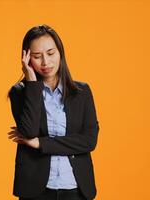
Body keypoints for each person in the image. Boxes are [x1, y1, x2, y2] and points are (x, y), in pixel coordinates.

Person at [7, 24, 99, 200]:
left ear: (60, 53)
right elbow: (29, 131)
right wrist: (32, 83)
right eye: (36, 56)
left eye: (50, 53)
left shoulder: (82, 92)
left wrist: (40, 144)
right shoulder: (19, 93)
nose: (45, 62)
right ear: (26, 58)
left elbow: (89, 140)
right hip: (36, 189)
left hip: (75, 187)